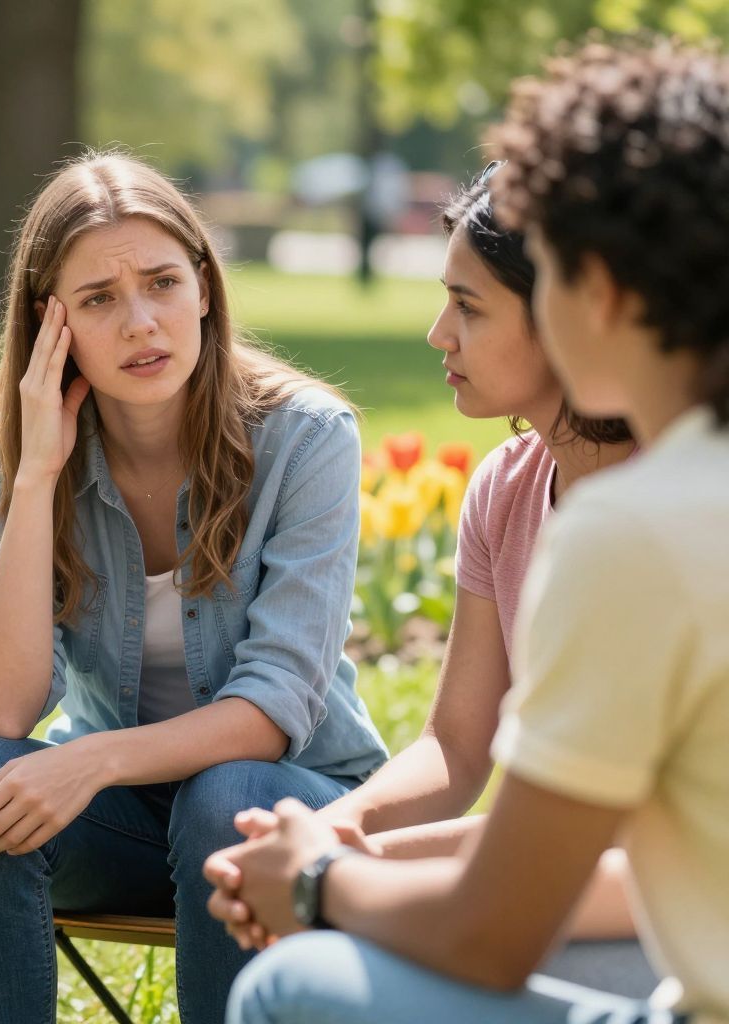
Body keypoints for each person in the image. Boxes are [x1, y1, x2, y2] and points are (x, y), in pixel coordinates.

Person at [213, 39, 729, 1024]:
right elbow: (462, 752)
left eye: (469, 303)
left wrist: (322, 880)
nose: (438, 334)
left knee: (290, 986)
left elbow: (495, 926)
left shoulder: (639, 531)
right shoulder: (554, 490)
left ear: (598, 292)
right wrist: (337, 844)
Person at [0, 151, 388, 1023]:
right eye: (99, 299)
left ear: (205, 289)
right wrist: (35, 479)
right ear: (50, 323)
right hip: (128, 821)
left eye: (164, 283)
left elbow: (273, 708)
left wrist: (89, 760)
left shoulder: (306, 437)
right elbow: (1, 709)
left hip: (291, 812)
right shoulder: (10, 462)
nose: (141, 322)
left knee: (229, 792)